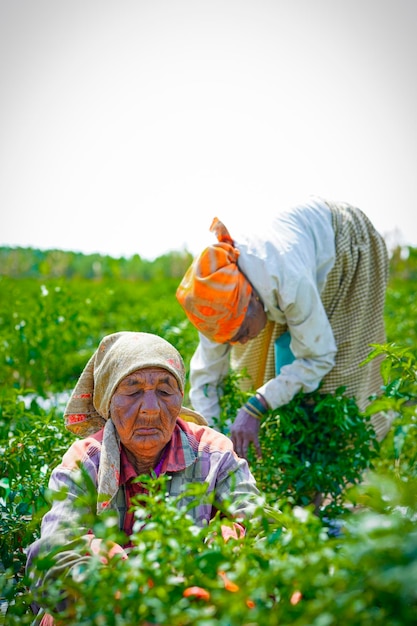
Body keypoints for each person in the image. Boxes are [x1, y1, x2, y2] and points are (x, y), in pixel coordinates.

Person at [26, 331, 261, 625]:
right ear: (109, 401)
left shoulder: (213, 453)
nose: (150, 408)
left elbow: (260, 523)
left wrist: (231, 538)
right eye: (133, 391)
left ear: (180, 399)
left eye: (164, 391)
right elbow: (50, 552)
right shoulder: (86, 461)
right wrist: (99, 562)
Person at [176, 196, 393, 459]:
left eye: (242, 333)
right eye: (231, 339)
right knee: (254, 371)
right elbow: (207, 378)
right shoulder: (213, 301)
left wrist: (256, 406)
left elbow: (318, 357)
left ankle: (333, 479)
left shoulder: (288, 279)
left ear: (253, 302)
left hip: (344, 244)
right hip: (288, 264)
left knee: (334, 381)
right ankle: (283, 465)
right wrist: (213, 438)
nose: (241, 341)